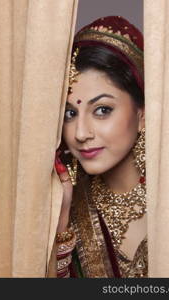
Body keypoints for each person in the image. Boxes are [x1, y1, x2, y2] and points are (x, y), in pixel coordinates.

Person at [52, 16, 146, 278]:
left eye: (102, 110)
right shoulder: (65, 208)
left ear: (143, 114)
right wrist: (61, 223)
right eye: (70, 114)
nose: (80, 133)